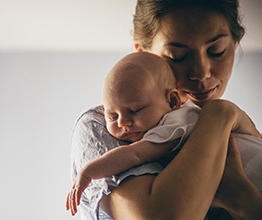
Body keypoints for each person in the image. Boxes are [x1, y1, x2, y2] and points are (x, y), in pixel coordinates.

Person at [68, 0, 262, 219]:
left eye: (216, 51)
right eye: (177, 57)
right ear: (143, 54)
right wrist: (219, 115)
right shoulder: (104, 126)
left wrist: (246, 200)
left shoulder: (238, 135)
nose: (201, 73)